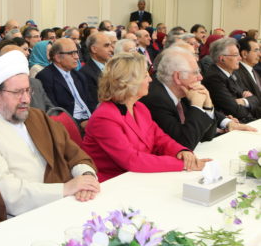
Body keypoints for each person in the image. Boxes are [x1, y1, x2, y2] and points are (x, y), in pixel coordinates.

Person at [0, 50, 100, 233]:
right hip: (17, 223)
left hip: (63, 204)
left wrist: (86, 177)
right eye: (17, 92)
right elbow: (5, 193)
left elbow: (74, 154)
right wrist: (65, 189)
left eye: (28, 90)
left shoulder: (36, 117)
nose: (26, 99)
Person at [83, 53, 209, 182]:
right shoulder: (104, 118)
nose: (150, 79)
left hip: (140, 177)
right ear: (129, 82)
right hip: (114, 184)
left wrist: (180, 151)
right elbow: (132, 160)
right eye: (145, 75)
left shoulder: (140, 108)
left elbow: (160, 139)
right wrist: (182, 164)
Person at [140, 47, 255, 150]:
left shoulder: (182, 90)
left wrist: (208, 105)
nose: (200, 77)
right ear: (178, 77)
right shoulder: (156, 99)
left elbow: (207, 135)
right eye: (195, 73)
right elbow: (185, 144)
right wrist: (196, 105)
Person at [36, 38, 96, 126]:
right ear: (57, 57)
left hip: (90, 119)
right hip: (70, 124)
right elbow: (54, 110)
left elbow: (90, 102)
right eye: (71, 53)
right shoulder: (45, 77)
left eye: (76, 52)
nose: (77, 57)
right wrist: (79, 124)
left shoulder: (79, 75)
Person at [203, 37, 261, 123]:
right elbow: (236, 110)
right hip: (235, 123)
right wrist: (247, 102)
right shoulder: (214, 78)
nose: (240, 58)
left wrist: (242, 101)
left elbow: (255, 99)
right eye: (236, 55)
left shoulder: (233, 72)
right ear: (222, 58)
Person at [80, 31, 114, 105]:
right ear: (94, 49)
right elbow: (96, 102)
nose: (111, 50)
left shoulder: (112, 67)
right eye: (106, 46)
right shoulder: (85, 73)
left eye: (111, 45)